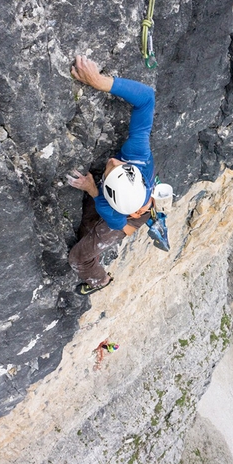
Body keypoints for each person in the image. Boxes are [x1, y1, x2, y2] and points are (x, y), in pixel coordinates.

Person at [67, 55, 155, 295]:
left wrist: (93, 190)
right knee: (87, 225)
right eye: (120, 167)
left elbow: (116, 221)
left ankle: (100, 281)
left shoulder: (115, 215)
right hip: (131, 202)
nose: (114, 160)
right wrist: (100, 82)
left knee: (78, 257)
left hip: (127, 216)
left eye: (111, 168)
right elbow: (146, 98)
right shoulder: (138, 156)